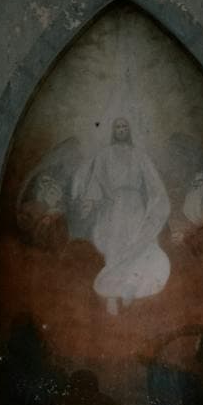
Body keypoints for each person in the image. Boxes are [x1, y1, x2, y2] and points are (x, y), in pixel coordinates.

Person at [70, 117, 173, 310]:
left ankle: (130, 286)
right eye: (118, 126)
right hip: (114, 205)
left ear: (129, 130)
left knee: (137, 242)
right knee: (115, 245)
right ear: (113, 130)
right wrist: (91, 201)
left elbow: (153, 182)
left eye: (124, 126)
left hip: (135, 205)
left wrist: (155, 204)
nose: (121, 129)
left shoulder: (139, 155)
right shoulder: (105, 155)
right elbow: (96, 181)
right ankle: (111, 295)